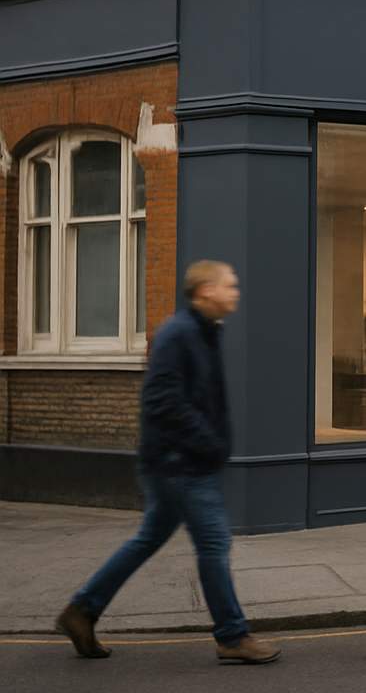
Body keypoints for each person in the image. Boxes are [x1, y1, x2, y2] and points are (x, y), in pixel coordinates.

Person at [56, 261, 280, 665]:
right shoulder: (180, 334)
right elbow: (162, 401)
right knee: (214, 542)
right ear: (206, 291)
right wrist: (207, 443)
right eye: (230, 286)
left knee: (149, 539)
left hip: (177, 461)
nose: (236, 292)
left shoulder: (203, 332)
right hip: (181, 463)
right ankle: (232, 635)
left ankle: (83, 609)